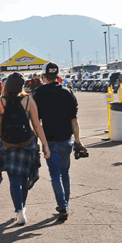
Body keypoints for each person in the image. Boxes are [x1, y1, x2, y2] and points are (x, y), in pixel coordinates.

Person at [0, 73, 50, 226]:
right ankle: (22, 208)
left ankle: (19, 210)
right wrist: (45, 144)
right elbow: (36, 124)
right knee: (24, 178)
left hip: (8, 144)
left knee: (13, 179)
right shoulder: (28, 100)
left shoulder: (1, 102)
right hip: (27, 143)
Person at [33, 62, 85, 222]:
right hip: (66, 139)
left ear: (43, 76)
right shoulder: (68, 92)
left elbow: (36, 123)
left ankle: (62, 206)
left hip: (49, 140)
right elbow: (74, 120)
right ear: (57, 76)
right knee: (65, 173)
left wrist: (40, 142)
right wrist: (77, 141)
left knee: (55, 174)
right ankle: (65, 204)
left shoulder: (38, 94)